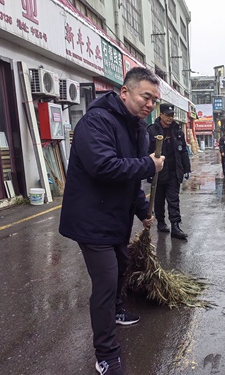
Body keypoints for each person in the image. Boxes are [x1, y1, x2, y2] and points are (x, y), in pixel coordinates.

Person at [59, 67, 165, 375]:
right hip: (92, 220)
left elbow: (129, 182)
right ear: (124, 92)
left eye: (154, 100)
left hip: (116, 217)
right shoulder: (96, 121)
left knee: (121, 267)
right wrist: (148, 164)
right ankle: (106, 353)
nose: (150, 104)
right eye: (145, 96)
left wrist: (143, 211)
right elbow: (104, 167)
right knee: (105, 283)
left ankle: (117, 311)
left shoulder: (138, 128)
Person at [148, 103, 191, 239]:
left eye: (172, 115)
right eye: (167, 115)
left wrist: (186, 168)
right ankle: (161, 222)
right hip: (158, 172)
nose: (170, 118)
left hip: (174, 171)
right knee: (159, 200)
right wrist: (147, 170)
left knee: (174, 200)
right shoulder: (152, 130)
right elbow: (146, 151)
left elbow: (183, 151)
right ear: (160, 115)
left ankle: (175, 226)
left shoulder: (177, 131)